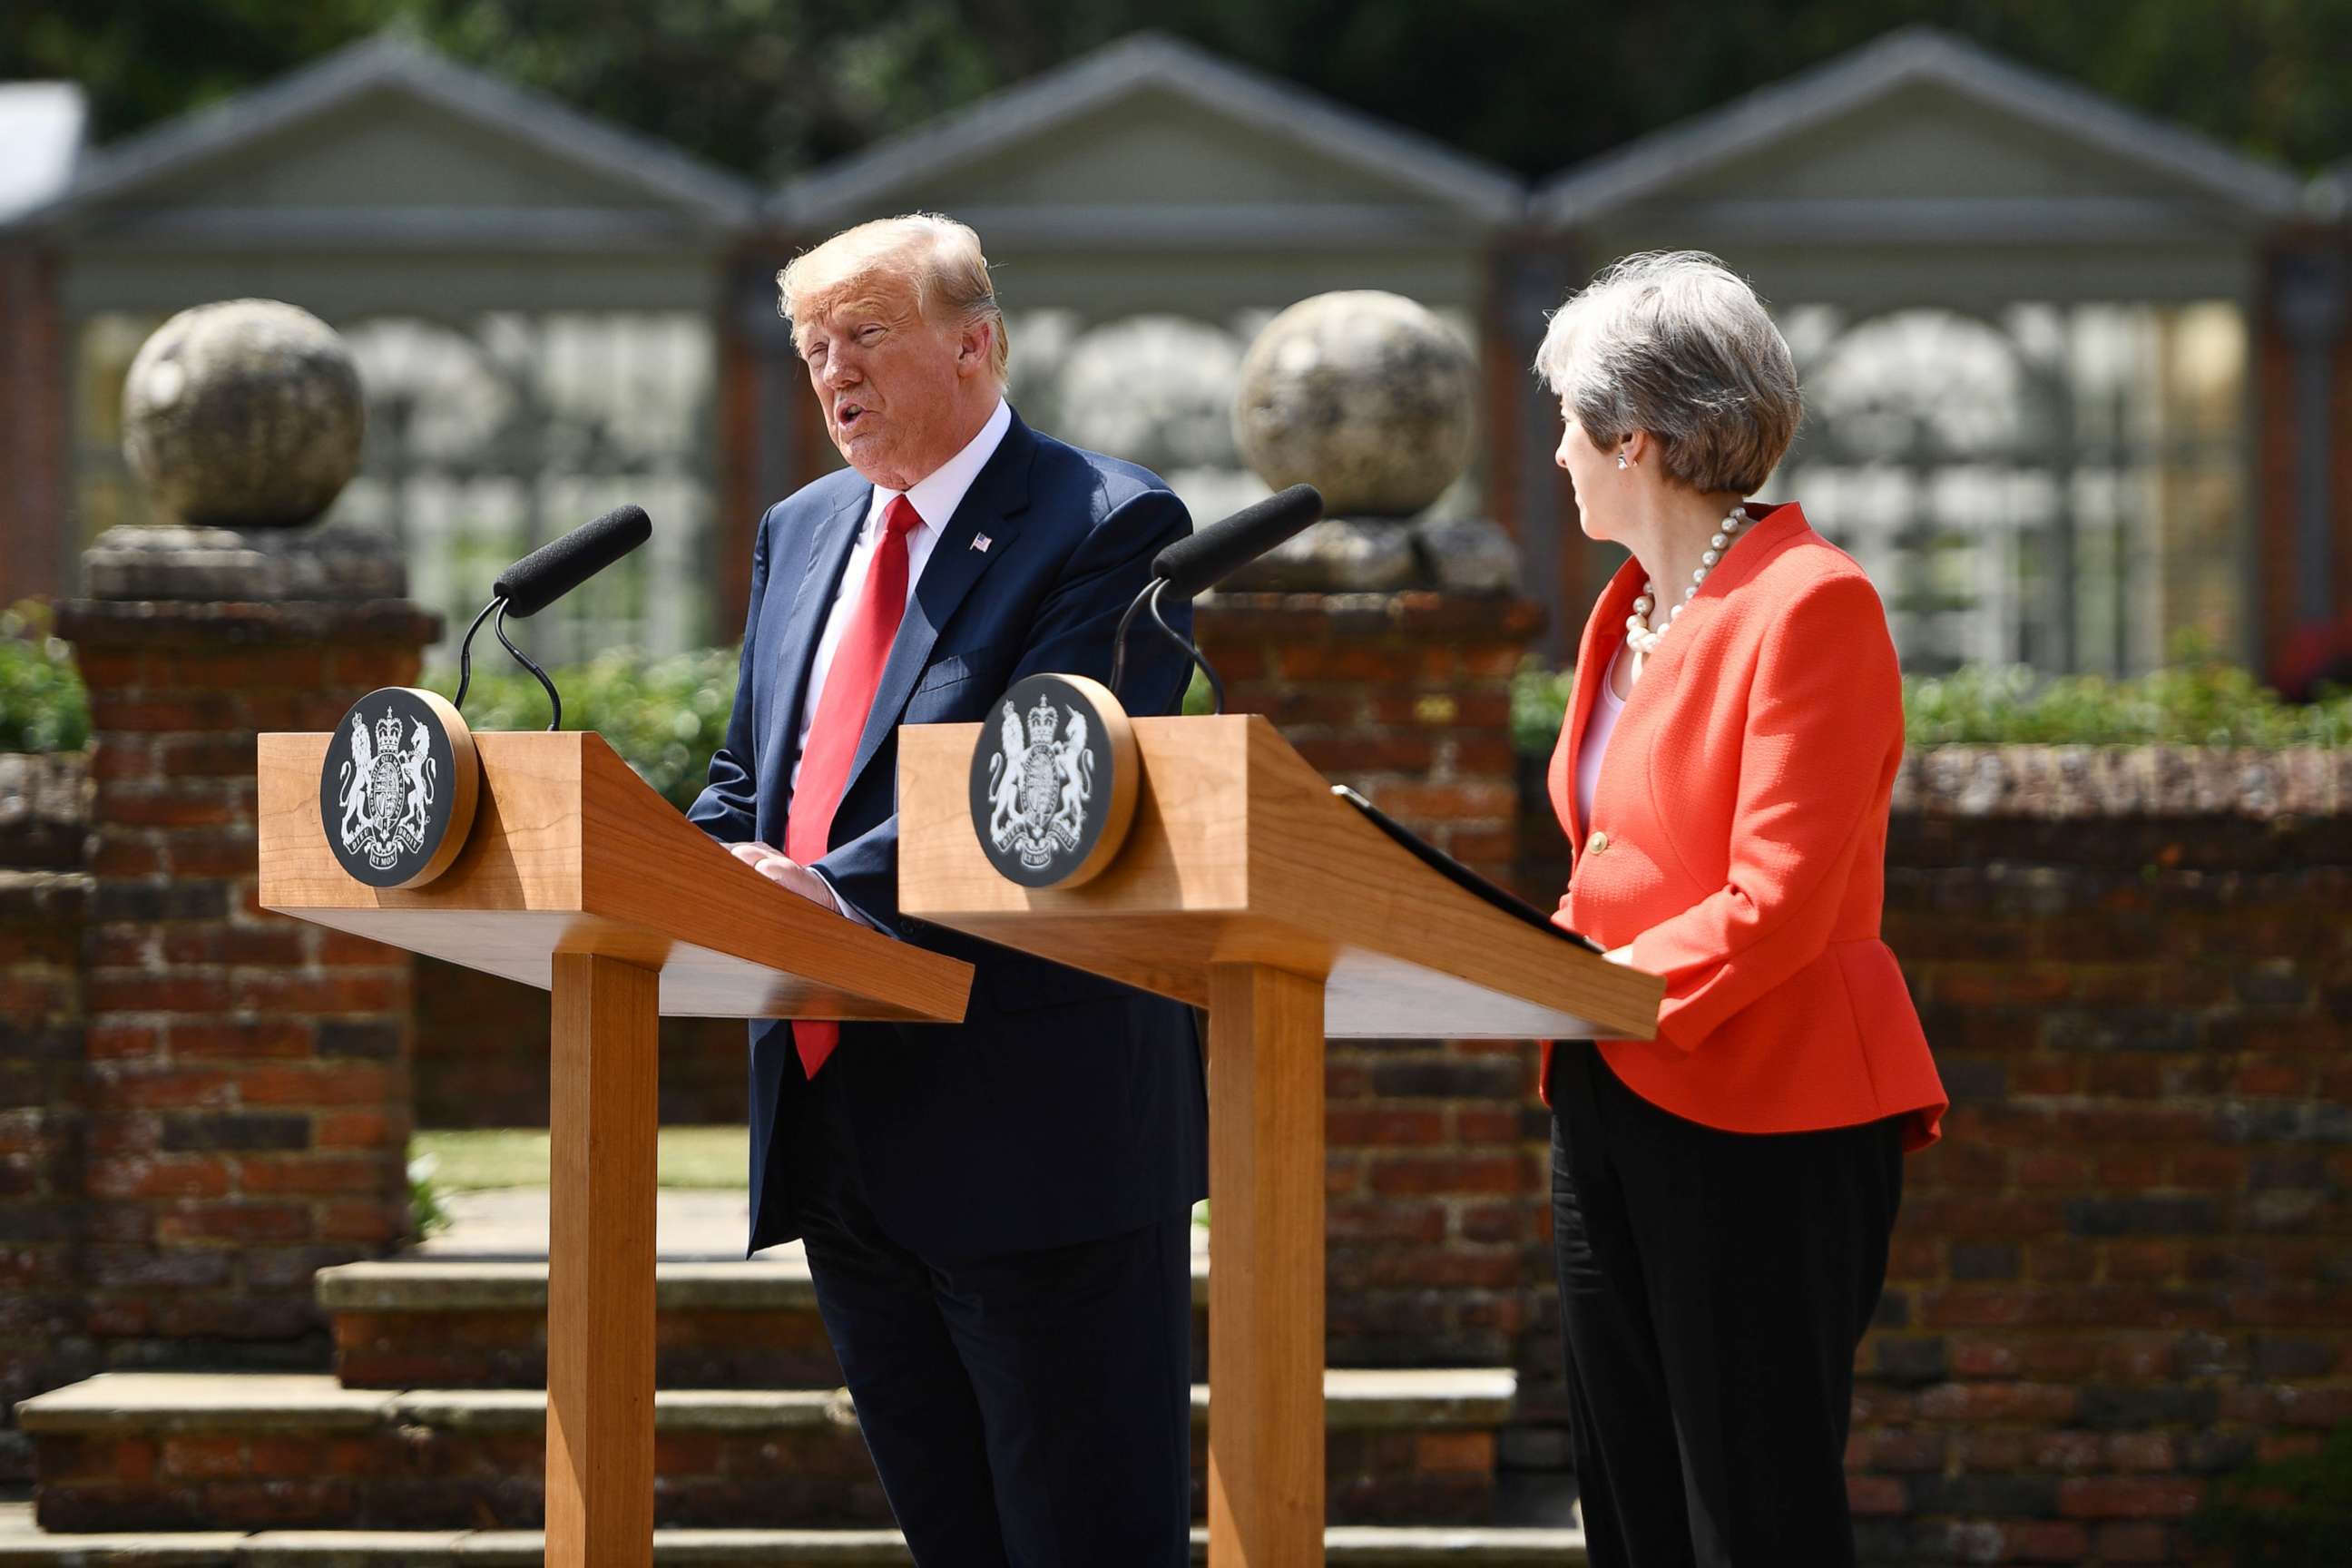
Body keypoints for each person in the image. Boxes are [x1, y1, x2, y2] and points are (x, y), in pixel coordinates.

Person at [686, 213, 1204, 1568]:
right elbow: (755, 774)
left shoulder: (1112, 522)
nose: (832, 373)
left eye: (865, 334)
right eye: (811, 348)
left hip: (1036, 1137)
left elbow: (1043, 787)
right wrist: (688, 873)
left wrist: (809, 889)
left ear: (976, 344)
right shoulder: (801, 530)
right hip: (834, 1115)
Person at [1532, 251, 1948, 1568]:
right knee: (1633, 1511)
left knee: (1751, 1521)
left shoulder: (1809, 602)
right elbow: (1616, 858)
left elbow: (1772, 901)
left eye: (1566, 424)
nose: (1555, 455)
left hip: (1767, 1103)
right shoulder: (1630, 612)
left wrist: (1584, 983)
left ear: (1635, 438)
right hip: (1608, 1090)